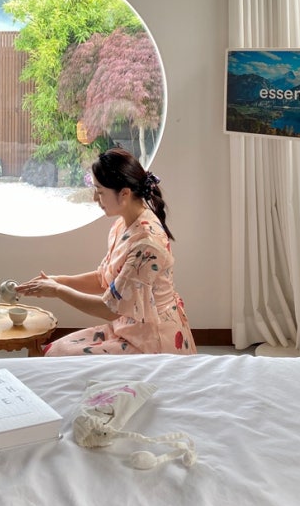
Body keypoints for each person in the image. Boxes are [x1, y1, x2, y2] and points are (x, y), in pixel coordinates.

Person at [16, 148, 195, 356]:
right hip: (127, 328)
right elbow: (104, 279)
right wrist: (56, 281)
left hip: (151, 339)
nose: (95, 198)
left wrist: (57, 290)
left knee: (57, 355)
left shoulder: (147, 243)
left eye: (100, 191)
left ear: (125, 193)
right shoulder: (123, 225)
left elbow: (109, 309)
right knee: (54, 350)